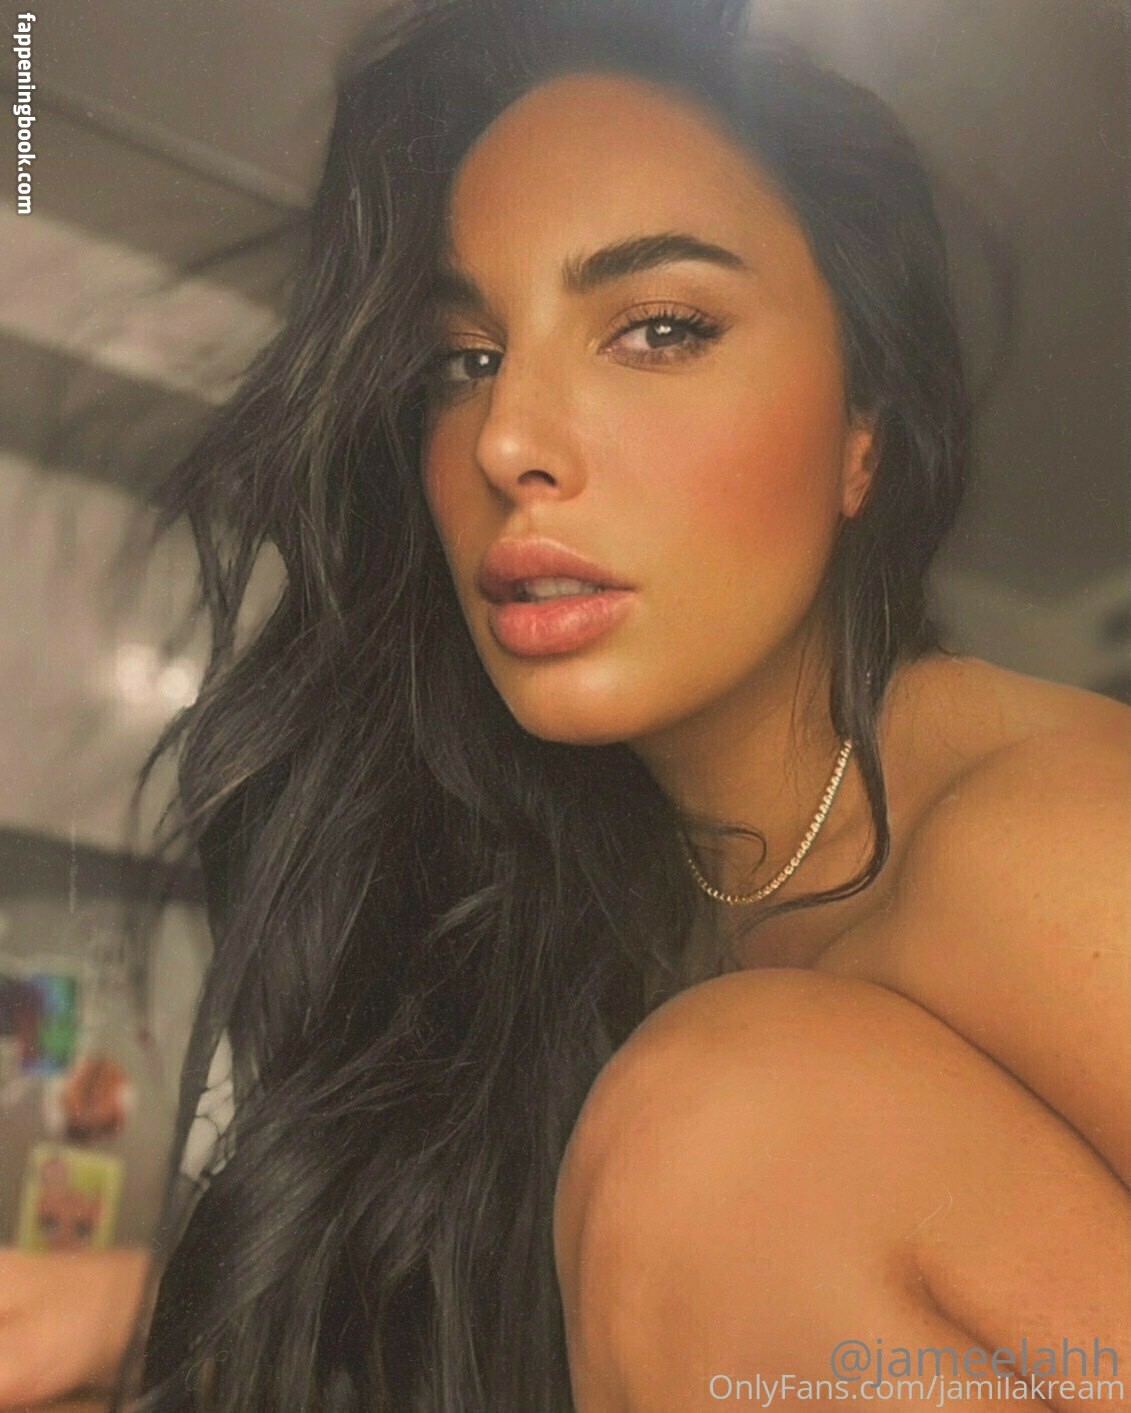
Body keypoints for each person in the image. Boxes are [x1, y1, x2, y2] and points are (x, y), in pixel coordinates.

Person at [3, 0, 1128, 1407]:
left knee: (719, 1122)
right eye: (463, 360)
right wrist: (151, 1307)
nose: (508, 438)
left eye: (659, 329)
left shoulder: (1058, 843)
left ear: (863, 437)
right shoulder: (598, 899)